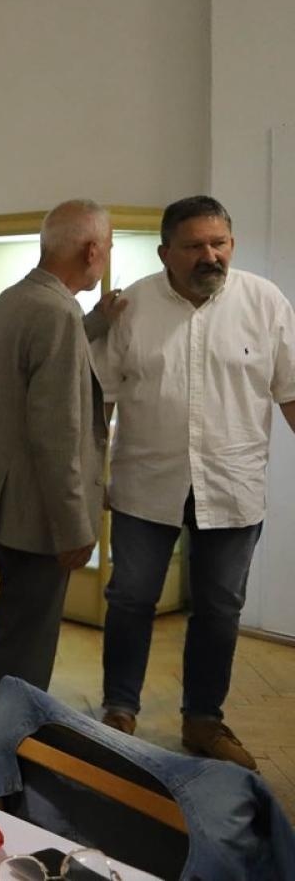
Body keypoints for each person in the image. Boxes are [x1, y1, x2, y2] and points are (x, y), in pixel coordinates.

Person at [92, 195, 295, 770]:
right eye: (194, 246)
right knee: (131, 600)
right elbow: (99, 401)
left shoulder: (265, 302)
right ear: (165, 253)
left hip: (232, 487)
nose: (210, 256)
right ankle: (119, 711)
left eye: (219, 243)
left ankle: (204, 720)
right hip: (145, 487)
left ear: (232, 244)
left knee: (220, 608)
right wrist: (85, 483)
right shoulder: (130, 307)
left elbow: (290, 392)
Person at [0, 200, 114, 745]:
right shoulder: (58, 313)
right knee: (25, 658)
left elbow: (45, 360)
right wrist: (75, 527)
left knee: (15, 642)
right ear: (92, 250)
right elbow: (56, 434)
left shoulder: (17, 297)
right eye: (107, 247)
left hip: (11, 508)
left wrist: (95, 323)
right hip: (40, 518)